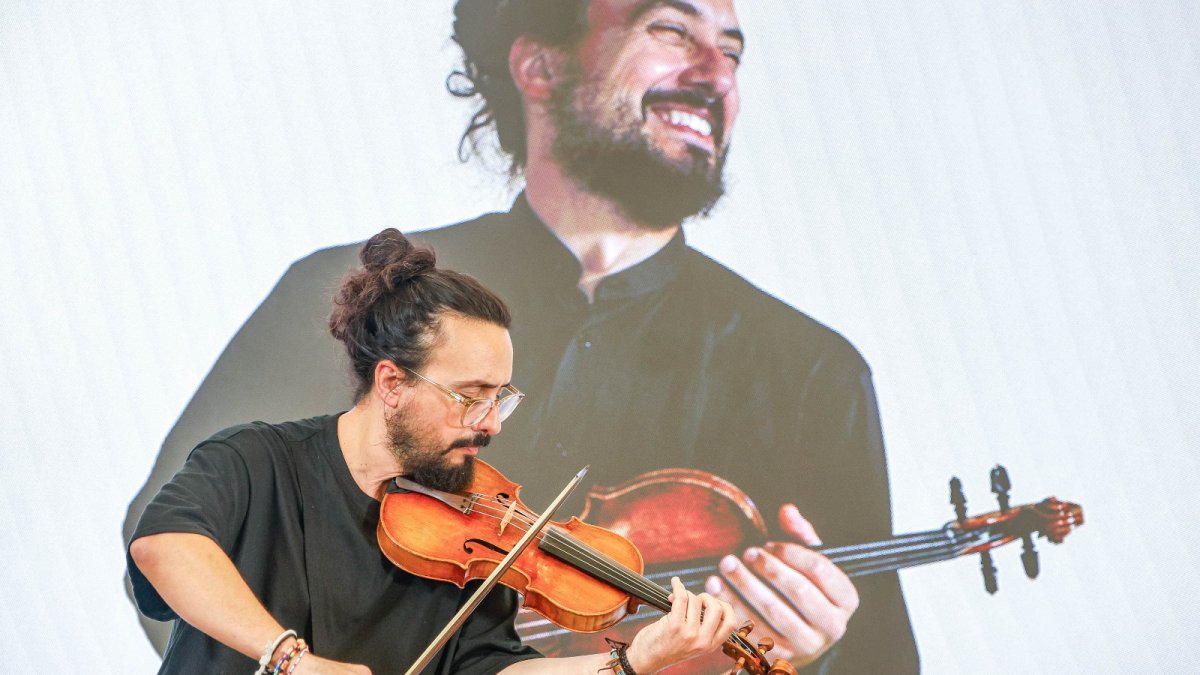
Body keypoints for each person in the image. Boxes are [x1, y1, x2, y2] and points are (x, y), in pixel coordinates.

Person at [125, 1, 918, 671]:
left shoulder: (814, 368)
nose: (717, 75)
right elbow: (160, 545)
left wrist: (808, 649)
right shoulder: (328, 294)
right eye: (672, 31)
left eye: (734, 52)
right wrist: (291, 655)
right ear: (539, 64)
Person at [127, 229, 743, 673]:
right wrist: (291, 660)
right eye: (470, 396)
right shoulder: (255, 460)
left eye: (502, 398)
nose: (490, 424)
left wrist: (632, 663)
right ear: (392, 384)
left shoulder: (476, 535)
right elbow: (165, 546)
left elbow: (496, 671)